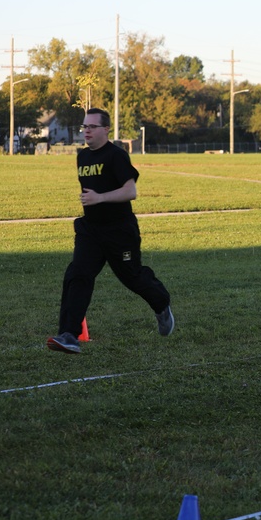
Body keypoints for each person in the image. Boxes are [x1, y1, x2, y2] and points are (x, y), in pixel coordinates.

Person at [47, 108, 174, 354]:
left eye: (92, 127)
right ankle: (69, 335)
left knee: (132, 276)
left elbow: (131, 192)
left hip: (119, 231)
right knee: (78, 274)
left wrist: (100, 198)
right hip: (90, 230)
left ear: (106, 129)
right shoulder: (82, 157)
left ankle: (161, 304)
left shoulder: (116, 156)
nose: (87, 131)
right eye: (84, 127)